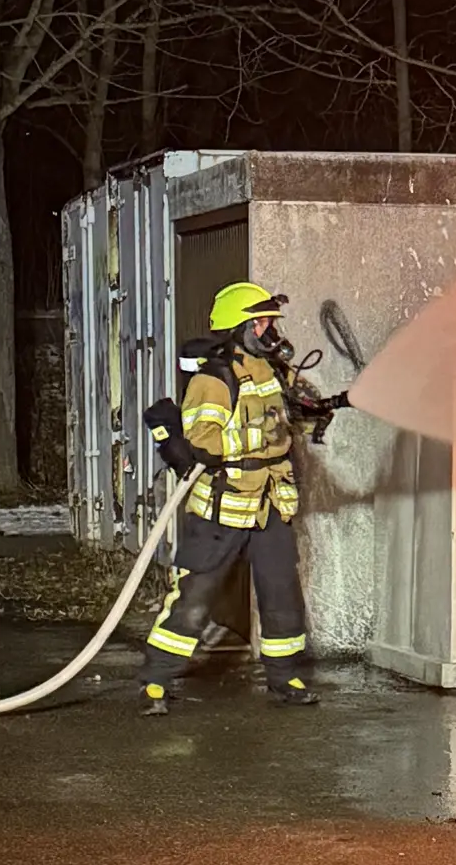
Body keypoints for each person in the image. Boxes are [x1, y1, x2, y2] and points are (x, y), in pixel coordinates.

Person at [136, 282, 318, 716]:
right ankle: (156, 681)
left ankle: (284, 677)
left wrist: (314, 413)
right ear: (240, 328)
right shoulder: (212, 379)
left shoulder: (275, 371)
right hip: (224, 504)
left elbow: (293, 420)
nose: (270, 329)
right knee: (196, 596)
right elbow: (205, 443)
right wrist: (266, 434)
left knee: (281, 594)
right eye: (261, 321)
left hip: (272, 502)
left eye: (271, 320)